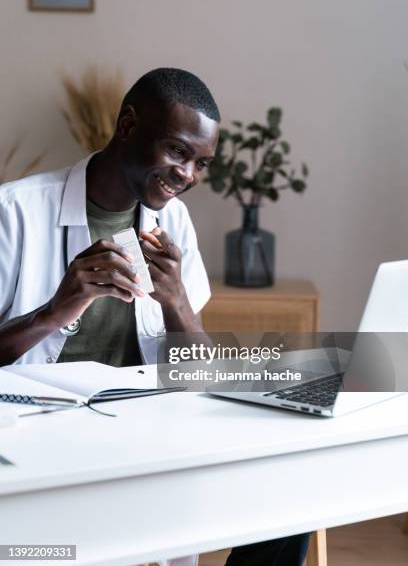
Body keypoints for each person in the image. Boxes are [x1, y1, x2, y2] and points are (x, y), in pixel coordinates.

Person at [0, 68, 310, 565]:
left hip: (145, 441)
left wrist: (177, 302)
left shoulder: (173, 222)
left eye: (201, 163)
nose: (188, 175)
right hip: (42, 448)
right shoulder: (14, 211)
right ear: (127, 127)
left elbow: (198, 370)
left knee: (293, 487)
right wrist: (55, 311)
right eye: (178, 151)